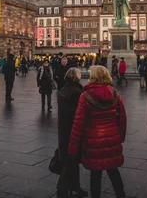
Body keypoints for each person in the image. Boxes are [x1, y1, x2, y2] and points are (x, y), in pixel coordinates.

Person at [68, 66, 127, 198]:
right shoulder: (115, 94)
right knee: (113, 171)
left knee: (95, 174)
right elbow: (122, 119)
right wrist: (120, 137)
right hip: (112, 138)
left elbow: (78, 123)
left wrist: (73, 147)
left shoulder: (85, 96)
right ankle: (121, 195)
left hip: (93, 139)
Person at [57, 68, 87, 198]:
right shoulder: (76, 92)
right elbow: (78, 113)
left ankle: (74, 187)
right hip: (72, 131)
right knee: (71, 161)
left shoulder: (64, 89)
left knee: (69, 160)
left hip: (63, 130)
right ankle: (63, 189)